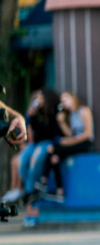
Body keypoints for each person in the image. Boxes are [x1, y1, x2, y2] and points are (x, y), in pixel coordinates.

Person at [19, 89, 62, 226]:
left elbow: (53, 133)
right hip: (36, 143)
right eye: (37, 97)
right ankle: (31, 191)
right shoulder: (36, 113)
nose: (38, 99)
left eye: (41, 97)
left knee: (35, 161)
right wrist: (31, 116)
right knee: (23, 161)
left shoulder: (54, 112)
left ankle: (30, 200)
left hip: (47, 143)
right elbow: (34, 132)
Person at [45, 91, 94, 198]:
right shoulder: (71, 115)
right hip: (75, 142)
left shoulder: (84, 110)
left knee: (52, 148)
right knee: (54, 157)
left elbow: (87, 133)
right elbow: (70, 133)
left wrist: (70, 141)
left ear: (73, 98)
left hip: (85, 143)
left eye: (65, 99)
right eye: (62, 101)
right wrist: (61, 122)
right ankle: (59, 191)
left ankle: (44, 179)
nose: (63, 102)